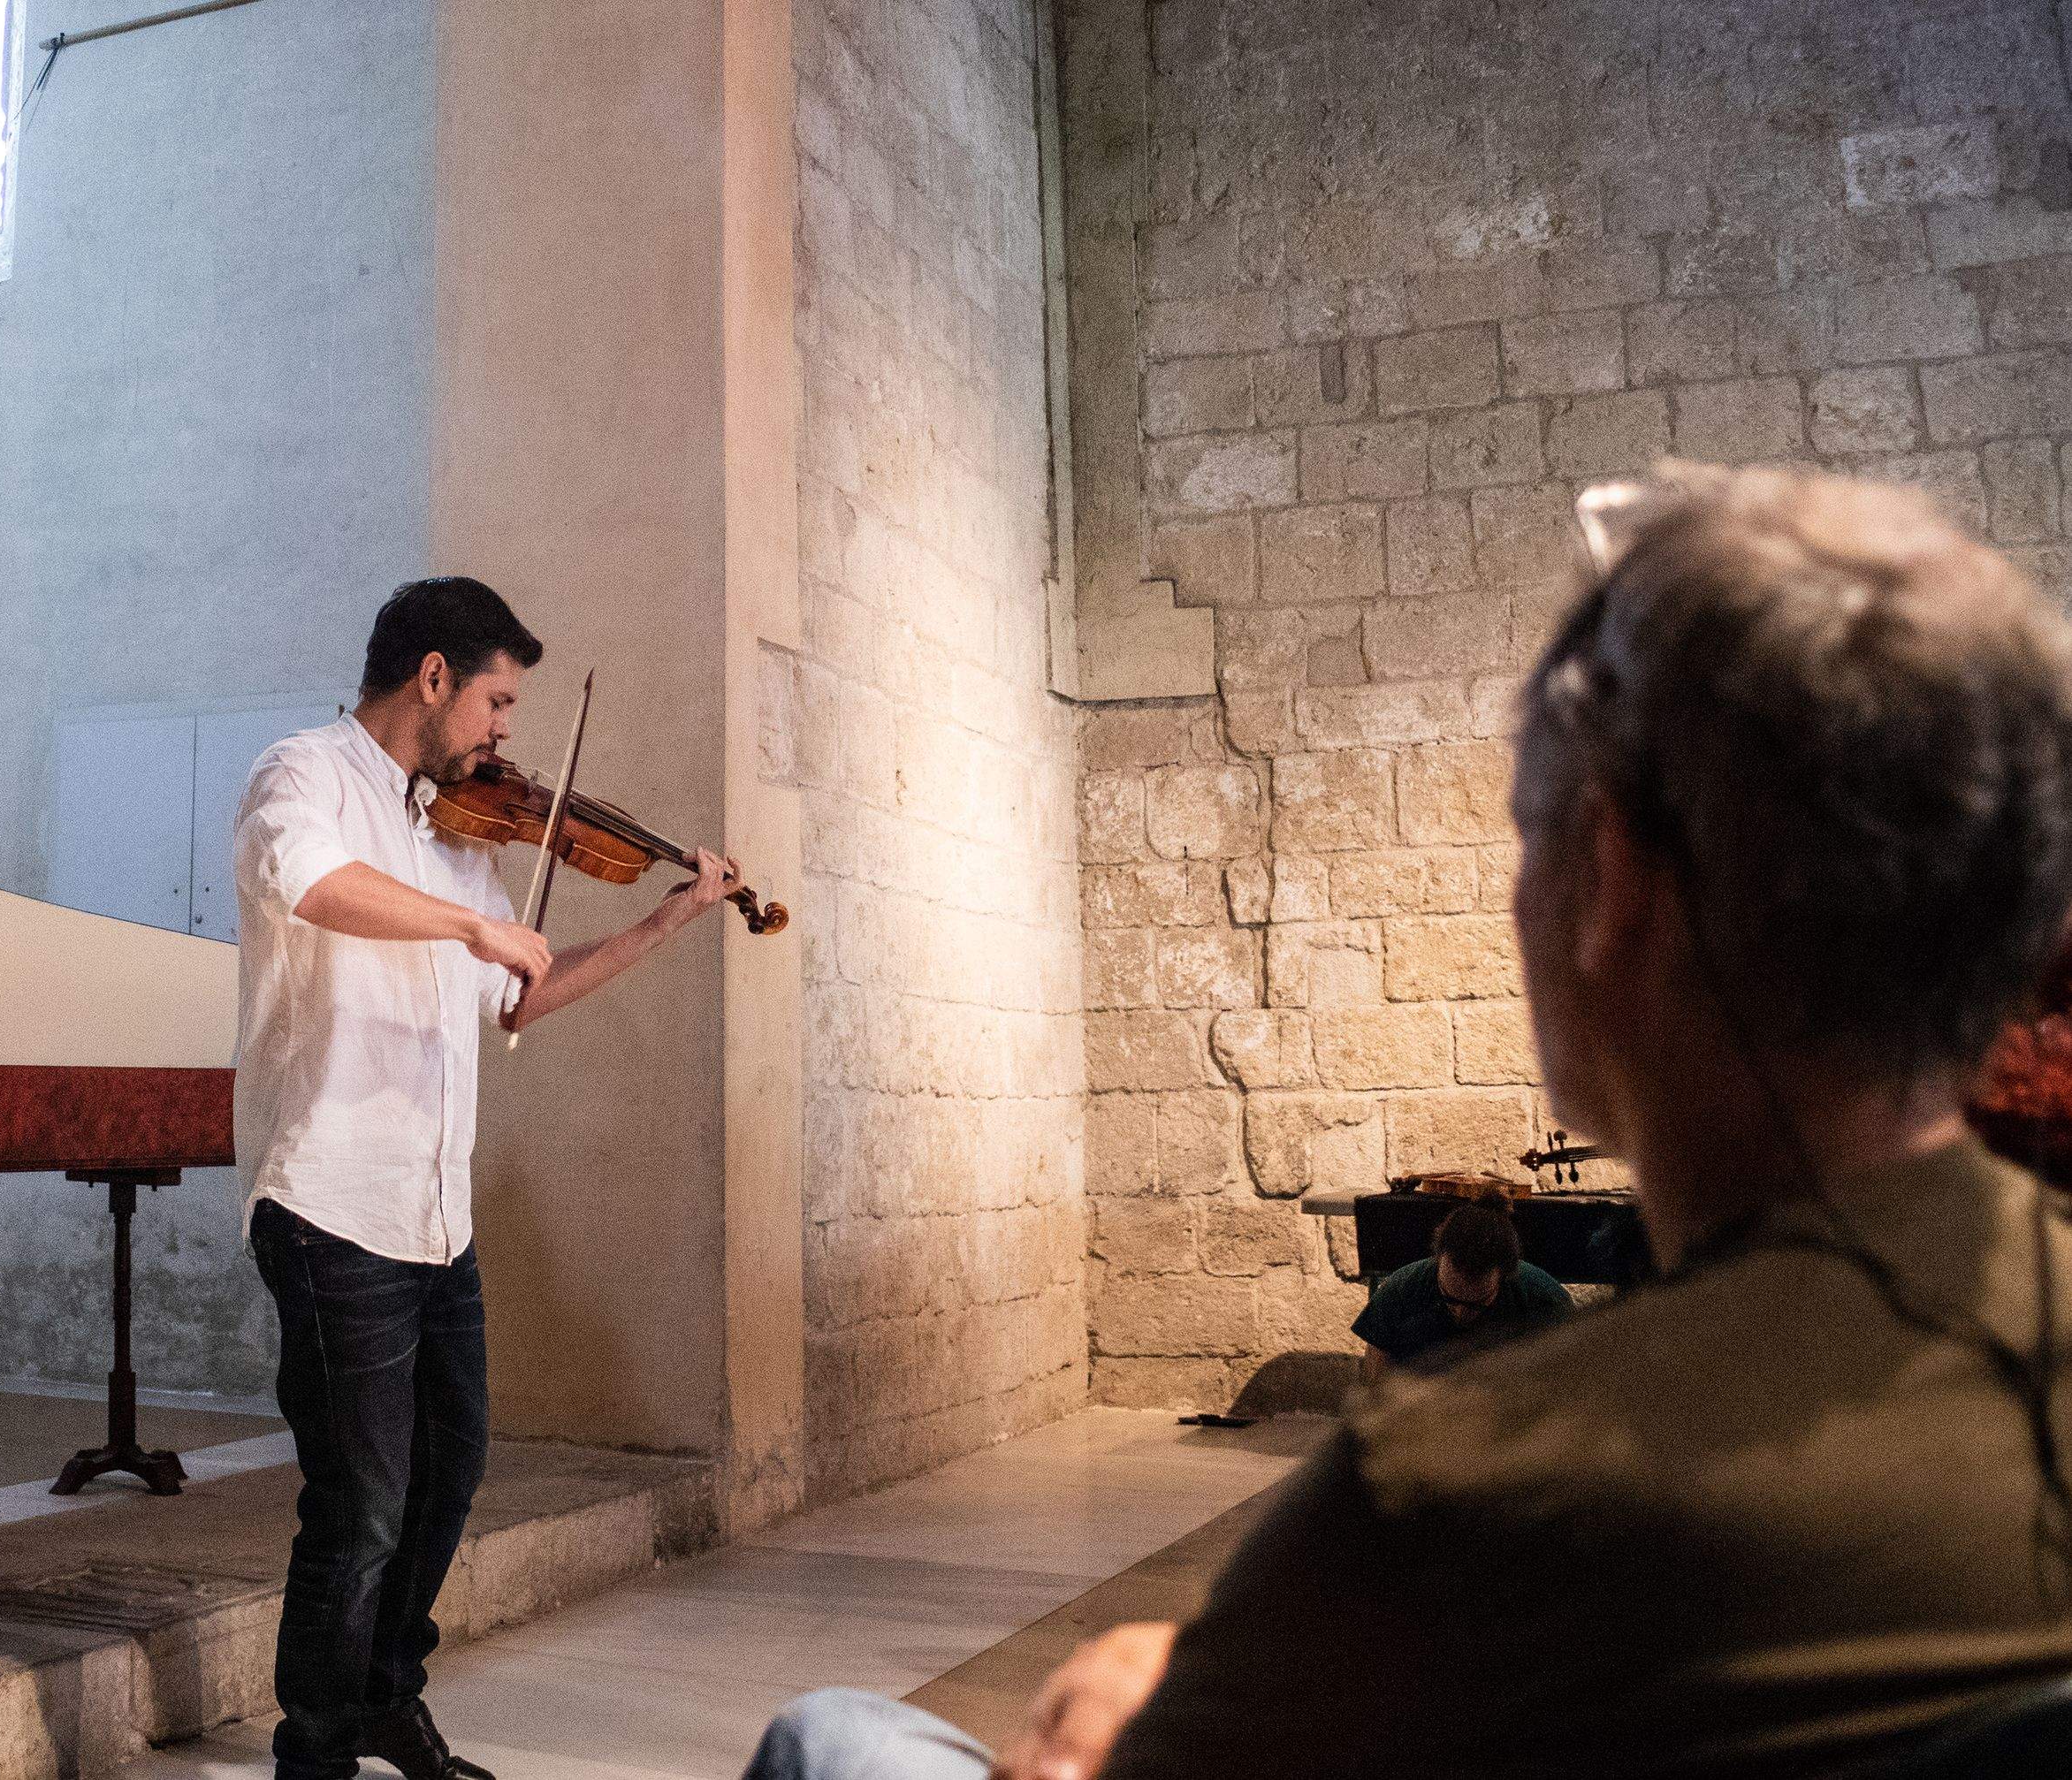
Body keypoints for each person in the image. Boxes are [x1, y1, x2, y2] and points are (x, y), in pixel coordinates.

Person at [742, 464, 2072, 1779]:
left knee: (836, 1736)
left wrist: (1109, 1721)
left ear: (1609, 876)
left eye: (1525, 833)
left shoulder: (1467, 1488)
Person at [236, 575, 741, 1780]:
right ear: (431, 677)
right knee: (356, 1503)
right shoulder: (298, 775)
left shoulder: (455, 825)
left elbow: (518, 992)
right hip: (329, 1200)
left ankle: (382, 1696)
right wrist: (468, 926)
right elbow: (310, 884)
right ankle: (313, 1751)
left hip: (433, 1213)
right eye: (497, 700)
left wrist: (664, 924)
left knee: (447, 1470)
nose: (506, 730)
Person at [1352, 1191, 1573, 1379]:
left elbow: (1569, 1391)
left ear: (1505, 1276)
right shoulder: (1401, 1291)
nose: (1459, 1313)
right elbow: (1375, 1385)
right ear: (1438, 1261)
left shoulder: (1544, 1301)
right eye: (1449, 1298)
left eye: (1476, 1304)